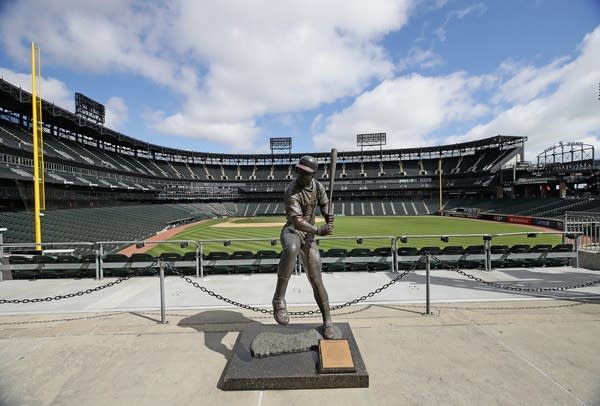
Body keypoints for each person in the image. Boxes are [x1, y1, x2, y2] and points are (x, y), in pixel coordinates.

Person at [272, 155, 335, 339]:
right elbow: (297, 221)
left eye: (305, 172)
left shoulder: (318, 186)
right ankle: (278, 300)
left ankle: (328, 321)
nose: (300, 173)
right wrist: (319, 229)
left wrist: (329, 213)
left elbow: (325, 204)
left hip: (309, 237)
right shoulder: (291, 190)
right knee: (291, 250)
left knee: (316, 280)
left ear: (313, 174)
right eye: (299, 170)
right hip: (293, 231)